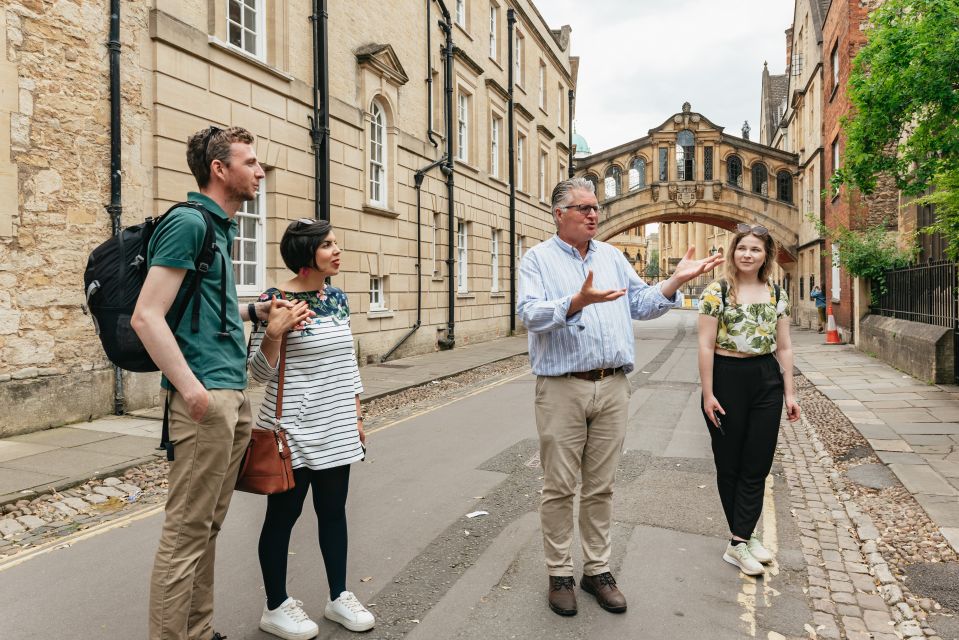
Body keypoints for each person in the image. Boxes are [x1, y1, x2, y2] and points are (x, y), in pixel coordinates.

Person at [517, 177, 725, 616]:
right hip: (561, 387)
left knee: (601, 487)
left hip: (613, 385)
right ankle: (559, 573)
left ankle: (597, 570)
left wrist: (673, 282)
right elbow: (530, 316)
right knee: (558, 487)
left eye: (596, 207)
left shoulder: (611, 257)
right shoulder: (536, 260)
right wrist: (575, 302)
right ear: (559, 215)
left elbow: (642, 304)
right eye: (584, 208)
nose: (594, 214)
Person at [133, 126, 290, 640]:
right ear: (219, 170)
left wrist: (253, 311)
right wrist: (193, 391)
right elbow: (147, 316)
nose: (259, 170)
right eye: (250, 161)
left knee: (207, 529)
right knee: (184, 534)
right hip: (205, 399)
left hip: (231, 392)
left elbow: (194, 308)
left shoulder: (219, 229)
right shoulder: (188, 223)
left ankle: (198, 632)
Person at [248, 218, 375, 638]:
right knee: (283, 518)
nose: (337, 251)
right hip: (292, 431)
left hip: (335, 425)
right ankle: (276, 605)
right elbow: (258, 374)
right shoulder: (275, 299)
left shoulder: (336, 298)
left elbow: (347, 363)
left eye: (336, 243)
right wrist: (273, 333)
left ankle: (339, 596)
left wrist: (356, 415)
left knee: (333, 513)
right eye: (327, 245)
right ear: (306, 255)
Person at [697, 223, 801, 577]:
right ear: (733, 252)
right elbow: (705, 345)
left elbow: (784, 346)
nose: (748, 254)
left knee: (758, 464)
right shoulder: (718, 291)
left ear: (765, 255)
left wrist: (790, 392)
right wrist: (708, 393)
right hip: (726, 378)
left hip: (765, 378)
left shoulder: (775, 292)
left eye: (755, 249)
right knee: (730, 464)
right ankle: (741, 540)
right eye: (742, 248)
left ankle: (742, 539)